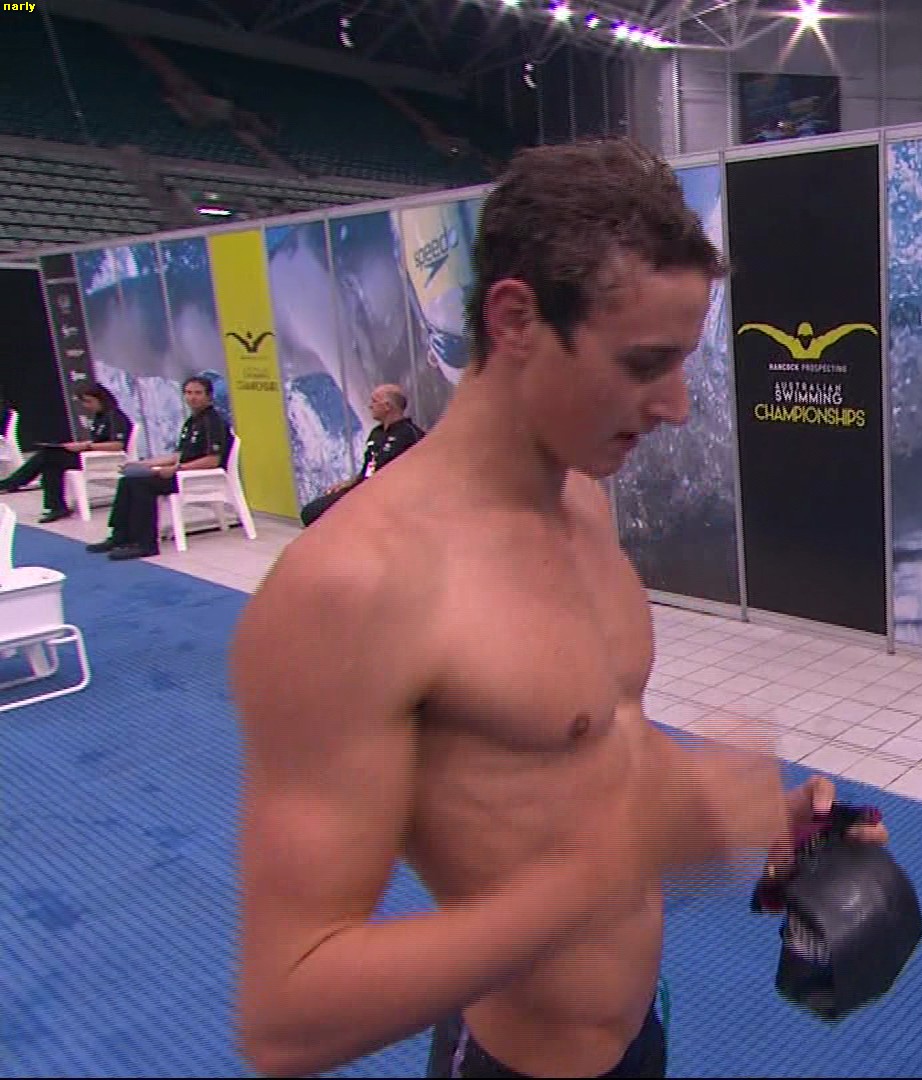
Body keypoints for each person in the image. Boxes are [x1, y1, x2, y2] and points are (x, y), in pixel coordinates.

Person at [227, 138, 887, 1080]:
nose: (678, 406)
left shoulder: (582, 500)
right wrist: (621, 860)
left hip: (638, 1026)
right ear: (517, 319)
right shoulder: (353, 589)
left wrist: (755, 819)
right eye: (645, 363)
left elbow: (595, 740)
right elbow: (286, 1015)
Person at [85, 375, 232, 561]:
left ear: (209, 396)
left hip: (199, 476)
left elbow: (212, 460)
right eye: (188, 393)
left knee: (142, 485)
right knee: (128, 480)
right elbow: (177, 455)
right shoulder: (192, 421)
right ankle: (120, 536)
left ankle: (146, 544)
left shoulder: (213, 421)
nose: (192, 397)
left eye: (198, 393)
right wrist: (144, 464)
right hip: (182, 471)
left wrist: (178, 469)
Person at [1, 381, 134, 522]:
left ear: (101, 399)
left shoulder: (115, 417)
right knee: (50, 458)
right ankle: (55, 507)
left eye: (89, 401)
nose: (86, 406)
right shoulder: (100, 416)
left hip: (106, 460)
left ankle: (13, 483)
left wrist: (87, 446)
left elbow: (117, 445)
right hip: (92, 455)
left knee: (49, 456)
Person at [299, 383, 425, 527]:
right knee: (311, 512)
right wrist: (350, 483)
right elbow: (369, 467)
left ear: (387, 406)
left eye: (374, 401)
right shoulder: (376, 433)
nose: (370, 406)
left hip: (388, 496)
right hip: (363, 489)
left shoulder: (411, 435)